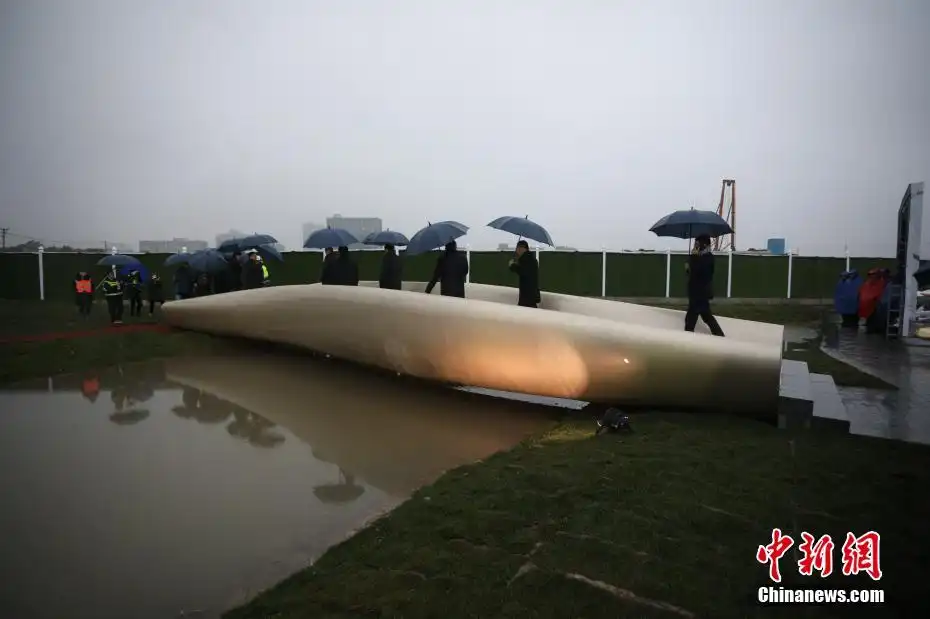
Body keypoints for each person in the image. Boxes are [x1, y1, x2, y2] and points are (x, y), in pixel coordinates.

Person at [684, 234, 725, 336]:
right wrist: (688, 268)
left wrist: (693, 258)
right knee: (703, 316)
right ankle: (719, 335)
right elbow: (693, 273)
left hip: (700, 293)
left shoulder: (708, 258)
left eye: (697, 243)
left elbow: (700, 273)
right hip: (696, 292)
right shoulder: (700, 256)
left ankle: (687, 338)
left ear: (704, 244)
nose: (696, 245)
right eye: (695, 243)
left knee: (693, 318)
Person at [508, 240, 541, 307]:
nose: (516, 251)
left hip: (527, 296)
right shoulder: (531, 259)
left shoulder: (525, 259)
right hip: (531, 295)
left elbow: (522, 271)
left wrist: (512, 265)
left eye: (517, 248)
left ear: (522, 248)